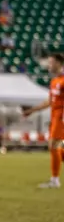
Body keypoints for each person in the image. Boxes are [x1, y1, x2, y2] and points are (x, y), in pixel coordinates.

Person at [23, 53, 64, 189]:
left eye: (51, 62)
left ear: (59, 63)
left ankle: (55, 180)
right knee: (54, 147)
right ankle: (54, 179)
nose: (49, 65)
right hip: (55, 117)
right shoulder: (54, 82)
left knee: (53, 145)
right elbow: (50, 101)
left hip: (61, 117)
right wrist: (32, 110)